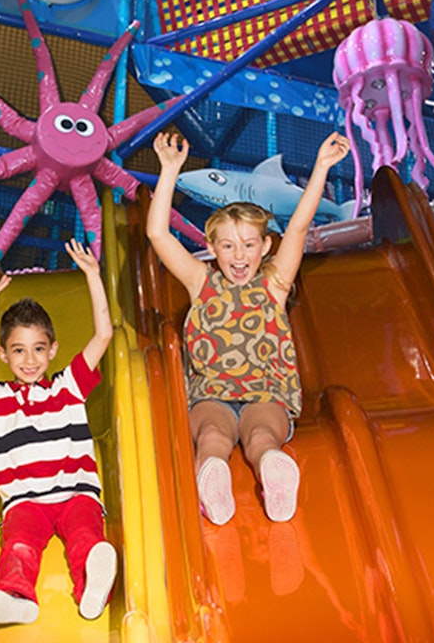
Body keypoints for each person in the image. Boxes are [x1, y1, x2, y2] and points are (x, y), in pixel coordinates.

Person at [146, 130, 351, 526]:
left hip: (266, 394)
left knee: (262, 438)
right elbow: (157, 234)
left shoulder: (275, 284)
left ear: (266, 247)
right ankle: (213, 481)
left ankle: (274, 471)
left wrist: (322, 167)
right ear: (211, 247)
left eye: (249, 245)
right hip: (212, 395)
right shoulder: (200, 281)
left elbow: (298, 227)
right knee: (212, 436)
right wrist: (169, 170)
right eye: (227, 246)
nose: (238, 255)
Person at [0, 239, 116, 626]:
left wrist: (93, 275)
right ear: (3, 354)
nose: (30, 360)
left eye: (38, 349)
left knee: (86, 537)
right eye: (18, 350)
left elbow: (103, 336)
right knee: (19, 545)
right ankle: (17, 597)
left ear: (53, 350)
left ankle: (92, 585)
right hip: (25, 503)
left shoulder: (68, 386)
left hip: (76, 494)